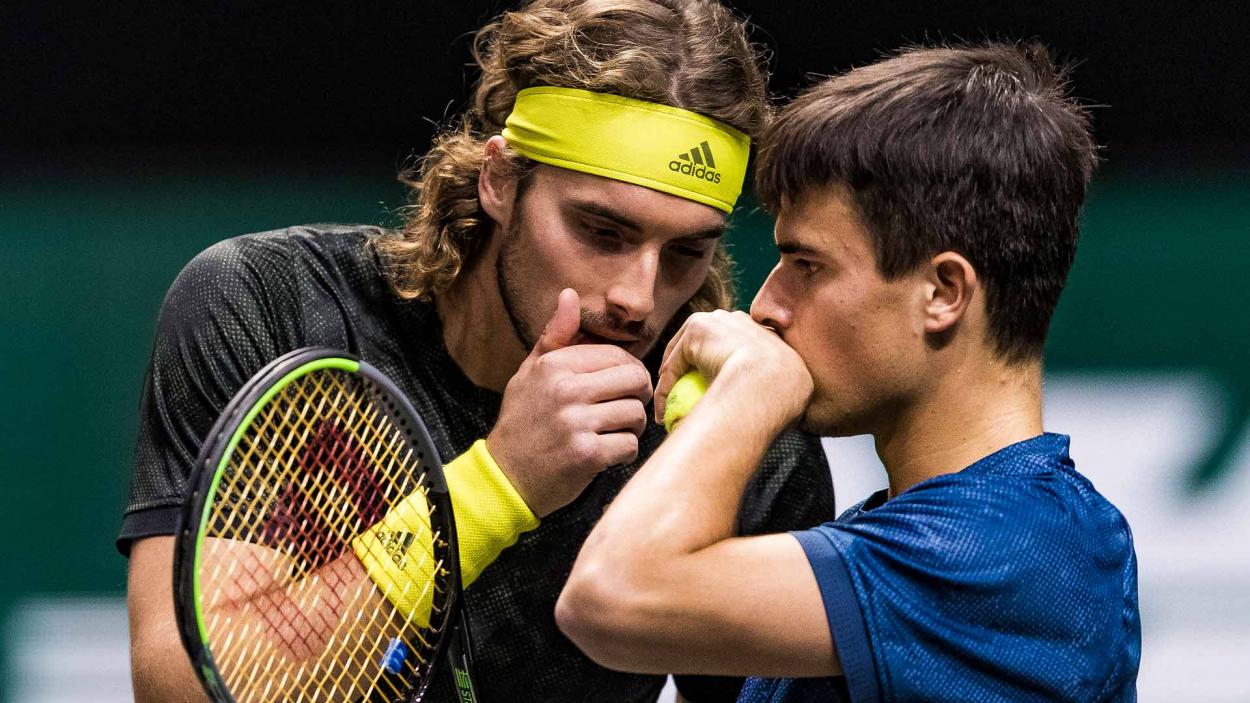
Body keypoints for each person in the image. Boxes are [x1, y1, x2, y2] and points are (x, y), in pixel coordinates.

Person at [120, 1, 836, 701]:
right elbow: (186, 685)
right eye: (601, 231)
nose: (639, 297)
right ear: (499, 180)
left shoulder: (728, 443)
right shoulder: (274, 302)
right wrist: (502, 482)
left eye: (686, 251)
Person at [557, 42, 1141, 702]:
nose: (766, 307)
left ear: (944, 292)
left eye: (807, 266)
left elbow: (609, 594)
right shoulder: (902, 544)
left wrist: (751, 389)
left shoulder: (1012, 548)